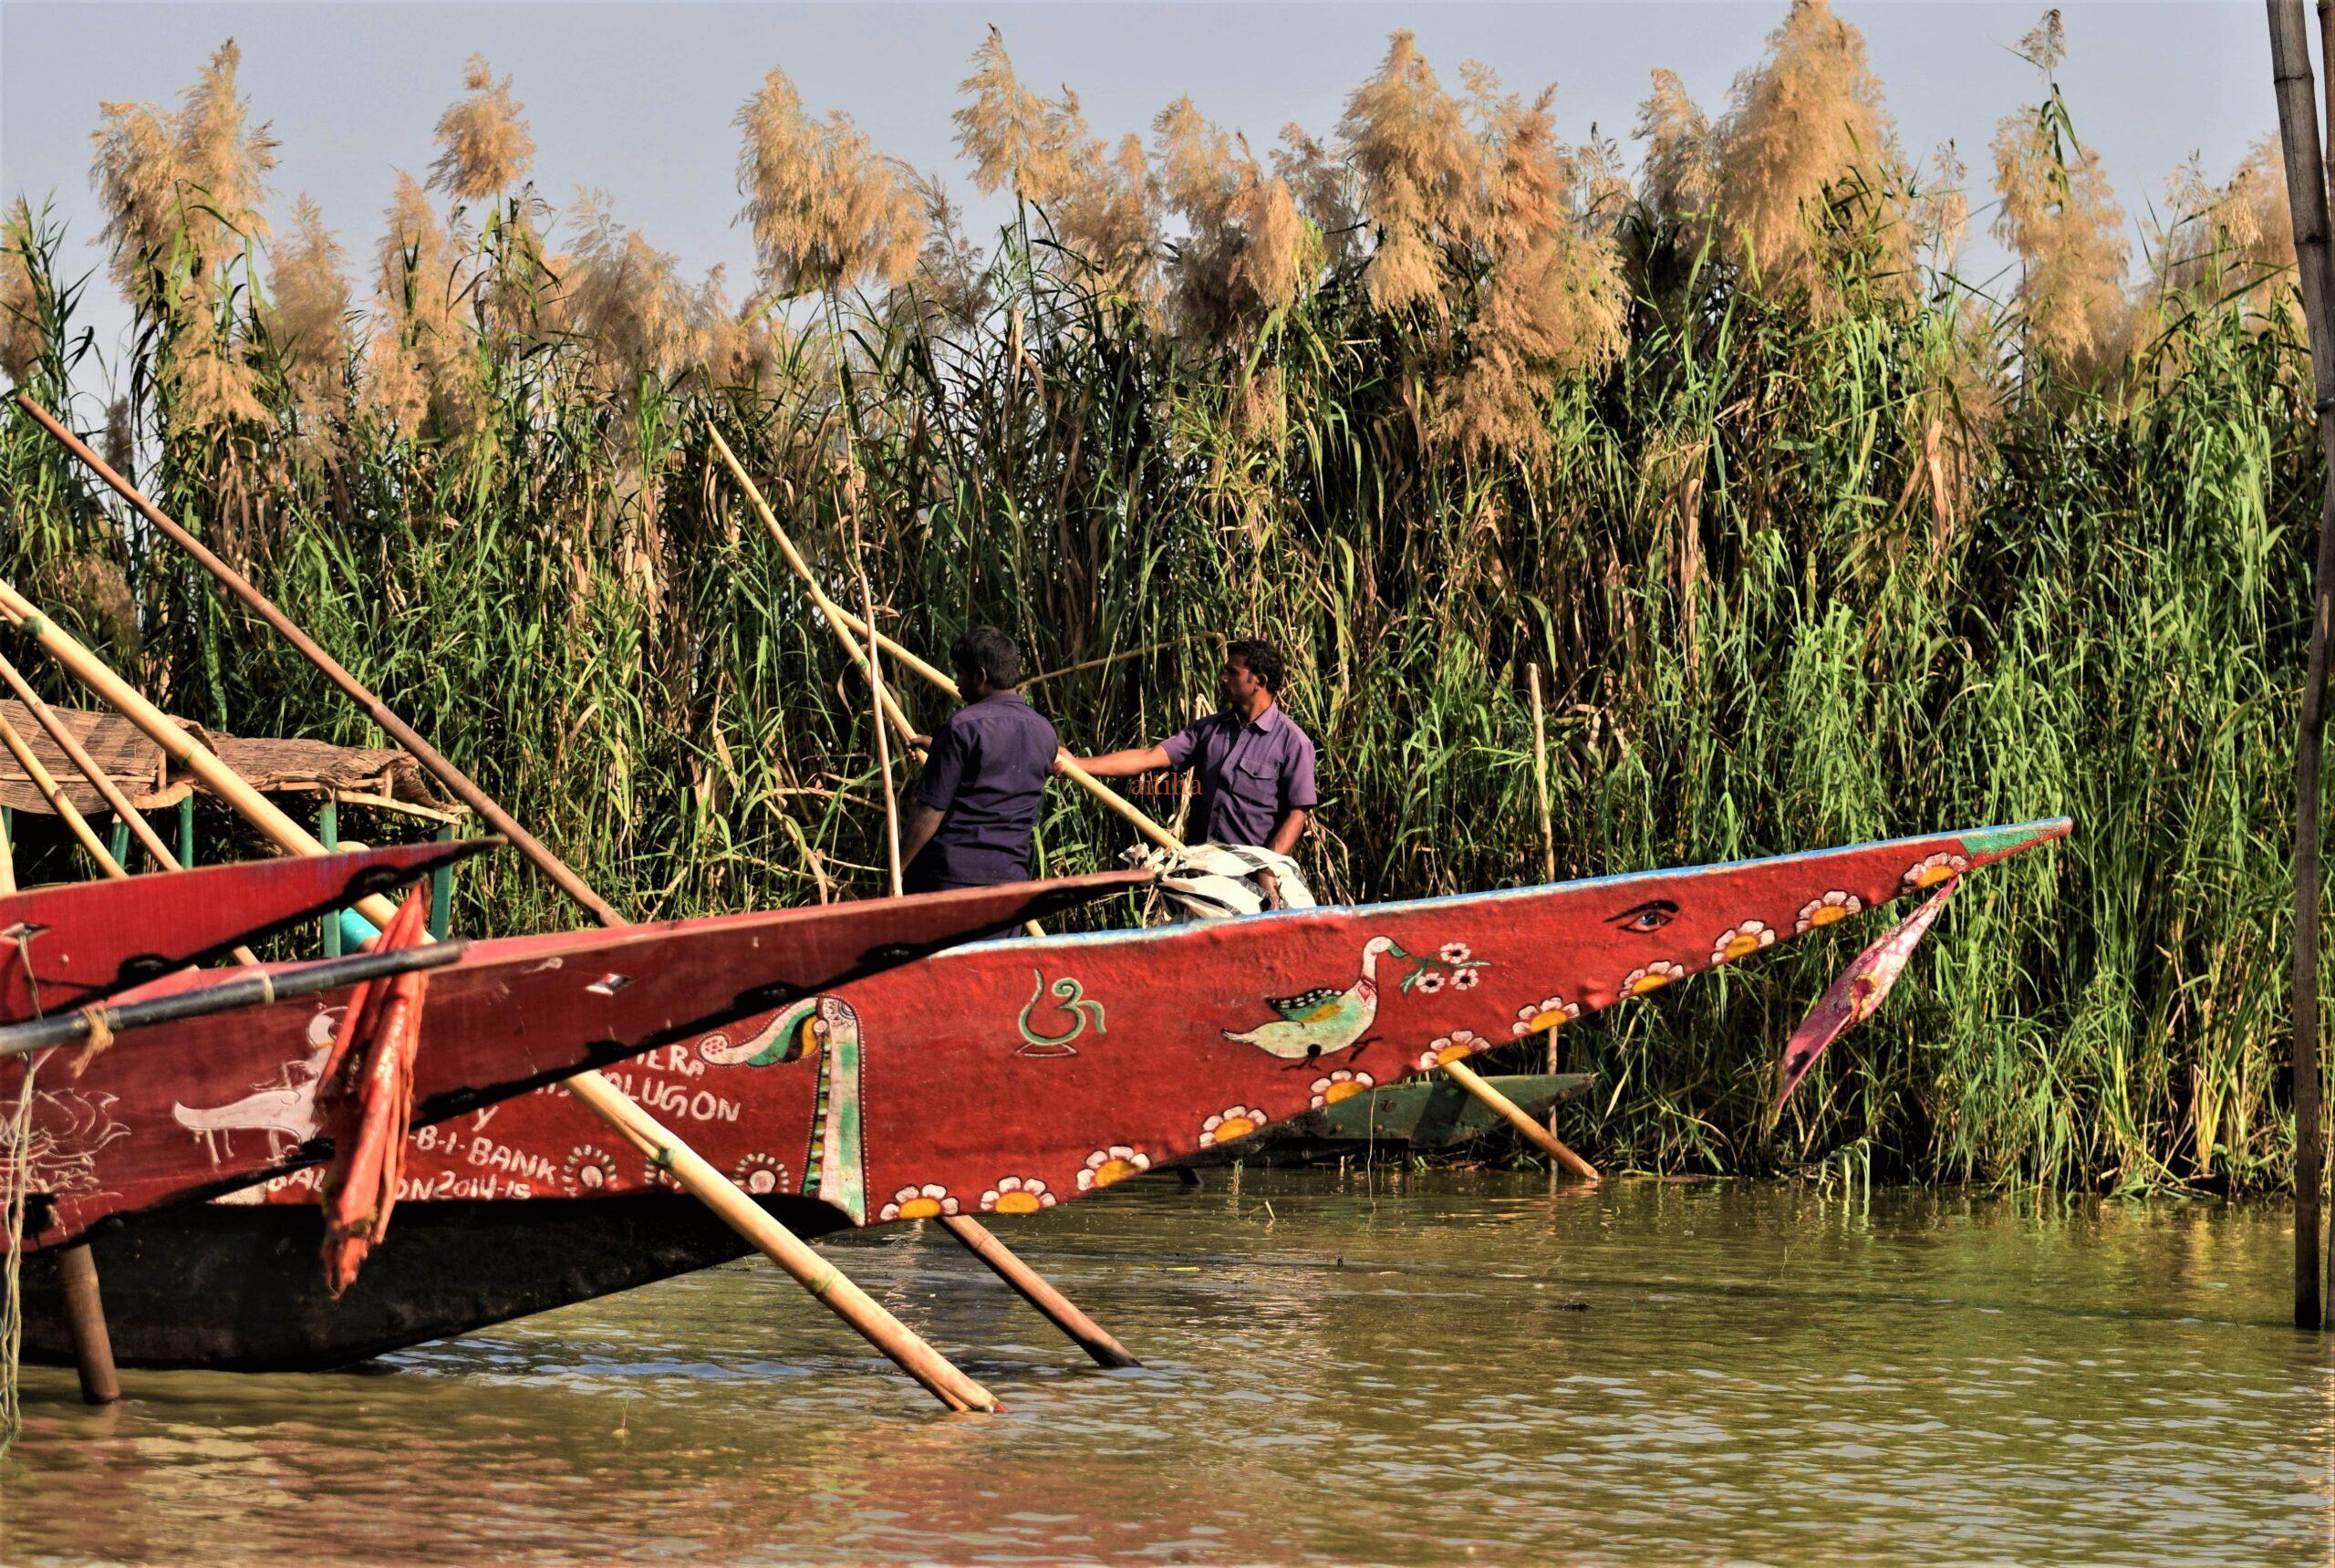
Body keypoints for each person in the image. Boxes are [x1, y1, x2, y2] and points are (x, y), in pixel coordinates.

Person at [1066, 639, 1317, 908]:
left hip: (1250, 881)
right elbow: (1149, 757)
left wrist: (1266, 866)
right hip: (1201, 873)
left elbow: (1297, 814)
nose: (1222, 678)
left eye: (1232, 672)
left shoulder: (1293, 742)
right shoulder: (1208, 730)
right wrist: (1077, 764)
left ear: (1259, 681)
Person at [900, 626, 1057, 894]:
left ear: (981, 676)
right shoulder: (1045, 731)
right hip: (1010, 879)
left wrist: (898, 869)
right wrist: (939, 748)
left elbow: (929, 813)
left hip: (951, 878)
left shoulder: (961, 727)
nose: (957, 683)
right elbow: (998, 766)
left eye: (961, 673)